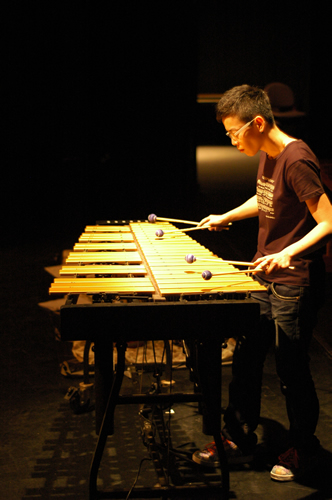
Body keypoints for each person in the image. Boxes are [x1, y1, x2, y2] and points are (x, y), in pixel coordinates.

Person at [192, 84, 332, 482]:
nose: (232, 140)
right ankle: (237, 436)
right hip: (263, 276)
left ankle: (303, 447)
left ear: (257, 122)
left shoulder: (297, 158)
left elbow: (327, 219)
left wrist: (290, 252)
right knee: (246, 358)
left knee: (291, 369)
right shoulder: (269, 156)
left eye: (234, 132)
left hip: (294, 282)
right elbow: (268, 199)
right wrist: (229, 215)